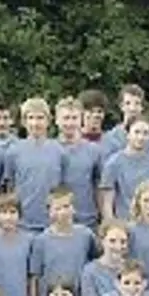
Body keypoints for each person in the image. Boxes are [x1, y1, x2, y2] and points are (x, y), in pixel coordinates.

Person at [1, 97, 65, 231]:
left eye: (40, 118)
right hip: (22, 224)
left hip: (52, 223)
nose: (35, 123)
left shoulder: (59, 150)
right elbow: (10, 188)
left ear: (48, 121)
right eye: (31, 118)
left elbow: (63, 188)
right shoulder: (13, 151)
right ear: (24, 122)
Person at [31, 187, 96, 296]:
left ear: (74, 208)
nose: (63, 212)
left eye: (66, 206)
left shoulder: (86, 235)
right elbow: (35, 276)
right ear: (50, 212)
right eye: (57, 208)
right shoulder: (41, 240)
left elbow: (95, 263)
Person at [100, 117, 149, 224]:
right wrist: (111, 225)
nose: (140, 137)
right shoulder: (114, 163)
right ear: (128, 135)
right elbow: (107, 203)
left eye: (145, 133)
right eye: (136, 132)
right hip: (125, 224)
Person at [55, 96, 105, 228]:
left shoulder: (94, 150)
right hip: (56, 221)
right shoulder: (49, 149)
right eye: (66, 118)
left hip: (87, 220)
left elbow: (99, 186)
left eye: (74, 118)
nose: (70, 123)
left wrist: (104, 217)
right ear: (56, 120)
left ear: (81, 119)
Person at [81, 221, 131, 296]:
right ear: (102, 241)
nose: (118, 246)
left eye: (123, 241)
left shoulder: (132, 268)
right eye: (112, 241)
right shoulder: (90, 271)